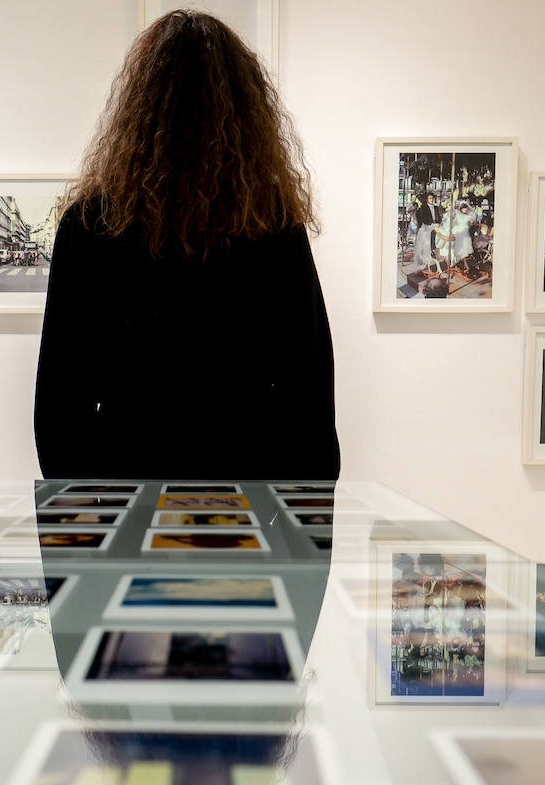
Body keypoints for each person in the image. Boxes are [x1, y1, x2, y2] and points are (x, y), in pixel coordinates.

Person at [33, 10, 339, 480]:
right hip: (245, 504)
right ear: (246, 112)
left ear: (138, 107)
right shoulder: (271, 227)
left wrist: (80, 542)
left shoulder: (92, 224)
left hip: (126, 502)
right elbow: (310, 402)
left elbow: (59, 412)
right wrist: (306, 542)